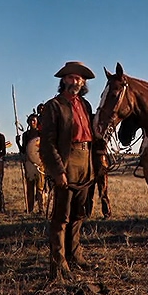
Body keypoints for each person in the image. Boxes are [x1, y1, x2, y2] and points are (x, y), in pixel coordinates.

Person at [40, 61, 99, 280]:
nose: (76, 81)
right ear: (64, 80)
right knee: (61, 216)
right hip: (67, 160)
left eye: (80, 79)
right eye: (72, 78)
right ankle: (59, 260)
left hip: (86, 161)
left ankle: (75, 255)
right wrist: (58, 171)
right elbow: (47, 143)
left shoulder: (86, 105)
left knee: (79, 213)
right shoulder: (54, 106)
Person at [16, 113, 47, 214]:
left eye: (34, 120)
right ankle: (30, 208)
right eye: (30, 121)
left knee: (40, 188)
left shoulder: (42, 134)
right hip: (29, 163)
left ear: (37, 122)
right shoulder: (26, 135)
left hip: (40, 164)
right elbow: (24, 150)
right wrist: (18, 143)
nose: (32, 122)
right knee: (29, 188)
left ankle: (41, 209)